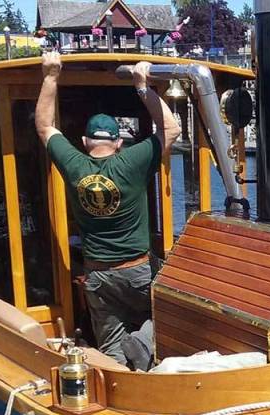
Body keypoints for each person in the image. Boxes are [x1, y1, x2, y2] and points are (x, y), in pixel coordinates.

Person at [35, 51, 180, 369]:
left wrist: (50, 76)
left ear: (86, 141)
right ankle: (143, 342)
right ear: (117, 143)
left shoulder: (74, 165)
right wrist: (143, 87)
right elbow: (170, 131)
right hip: (139, 271)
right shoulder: (132, 161)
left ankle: (120, 384)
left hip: (99, 274)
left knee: (110, 345)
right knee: (174, 314)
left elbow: (45, 127)